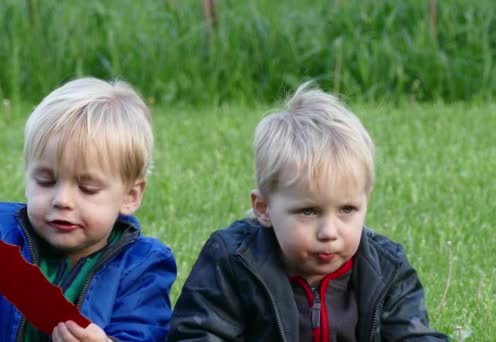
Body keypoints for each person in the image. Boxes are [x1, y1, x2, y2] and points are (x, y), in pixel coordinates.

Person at [167, 83, 448, 341]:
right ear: (264, 209)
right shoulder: (233, 261)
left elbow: (413, 336)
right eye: (309, 212)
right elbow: (198, 333)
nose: (329, 232)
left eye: (347, 209)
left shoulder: (386, 269)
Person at [0, 77, 177, 341]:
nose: (63, 200)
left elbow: (146, 334)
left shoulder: (144, 264)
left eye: (87, 188)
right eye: (46, 181)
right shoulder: (5, 234)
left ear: (130, 195)